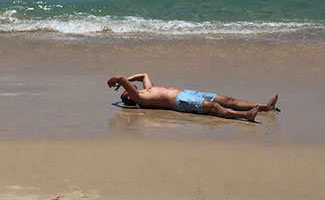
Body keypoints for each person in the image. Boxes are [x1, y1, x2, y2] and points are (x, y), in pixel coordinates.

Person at [107, 72, 278, 122]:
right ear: (129, 98)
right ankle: (246, 115)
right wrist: (114, 82)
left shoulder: (147, 89)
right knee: (212, 107)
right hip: (181, 101)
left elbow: (143, 74)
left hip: (188, 93)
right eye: (126, 90)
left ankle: (263, 107)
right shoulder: (139, 98)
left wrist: (127, 80)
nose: (128, 87)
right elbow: (120, 78)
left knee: (228, 100)